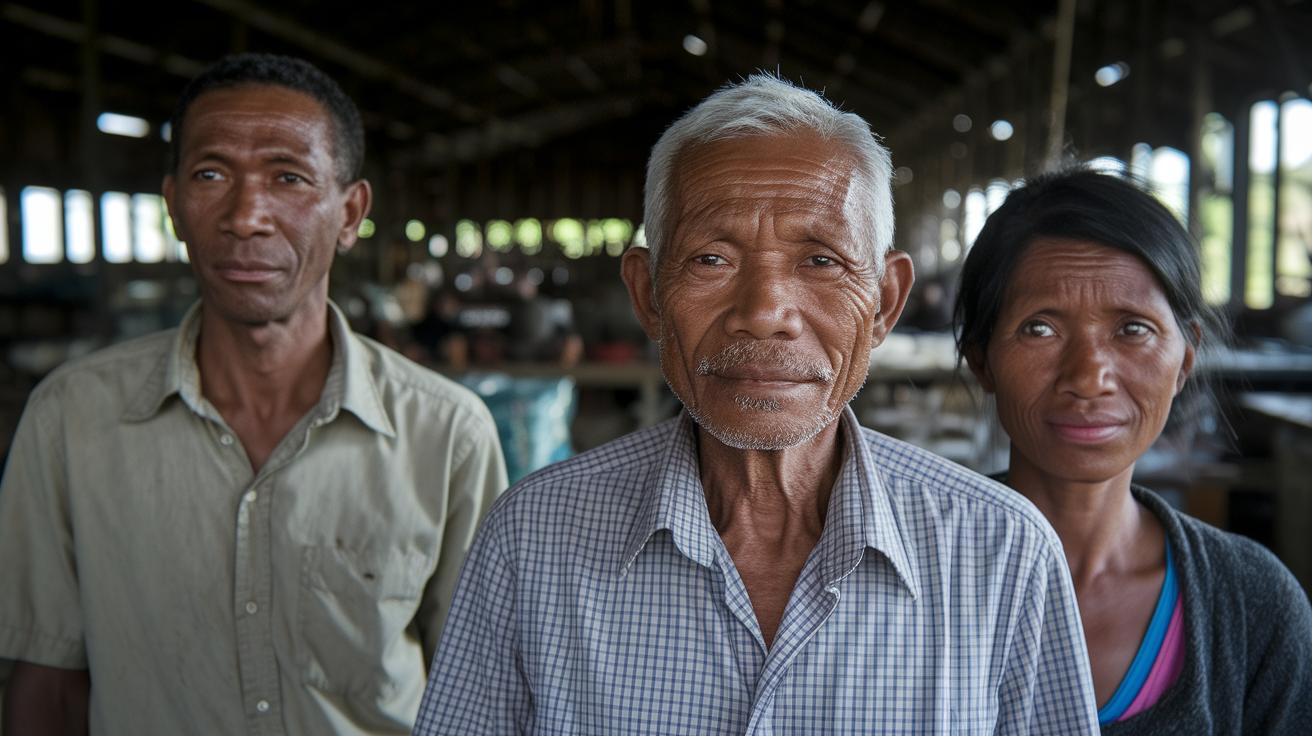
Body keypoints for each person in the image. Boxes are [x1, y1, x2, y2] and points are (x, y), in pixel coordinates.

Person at [413, 74, 1099, 734]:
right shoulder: (532, 540)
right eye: (712, 259)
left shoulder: (1003, 551)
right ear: (648, 294)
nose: (765, 312)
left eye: (821, 260)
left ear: (886, 301)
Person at [0, 53, 507, 734]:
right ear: (175, 205)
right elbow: (49, 683)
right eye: (211, 175)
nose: (246, 216)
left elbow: (481, 692)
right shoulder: (71, 419)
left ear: (351, 212)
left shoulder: (446, 433)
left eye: (288, 177)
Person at [953, 168, 1312, 733]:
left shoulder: (1252, 604)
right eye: (1040, 329)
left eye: (1133, 329)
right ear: (982, 360)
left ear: (1186, 359)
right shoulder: (895, 580)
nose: (1089, 377)